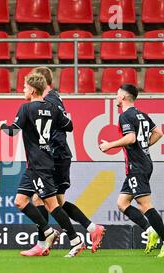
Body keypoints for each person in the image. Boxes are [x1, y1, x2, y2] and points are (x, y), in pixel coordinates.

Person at [0, 73, 85, 258]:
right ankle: (48, 231)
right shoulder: (53, 108)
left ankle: (75, 240)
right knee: (20, 201)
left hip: (40, 165)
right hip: (40, 162)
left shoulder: (26, 108)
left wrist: (2, 126)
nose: (22, 90)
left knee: (51, 204)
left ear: (32, 89)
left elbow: (13, 131)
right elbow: (69, 126)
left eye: (24, 87)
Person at [30, 67, 106, 253]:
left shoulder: (48, 101)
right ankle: (92, 228)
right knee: (58, 202)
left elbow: (59, 128)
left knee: (39, 199)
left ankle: (43, 244)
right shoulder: (54, 97)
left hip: (56, 156)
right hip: (60, 154)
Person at [99, 84, 164, 258]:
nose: (116, 97)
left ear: (124, 97)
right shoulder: (141, 114)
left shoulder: (125, 116)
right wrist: (145, 145)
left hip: (137, 166)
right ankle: (151, 231)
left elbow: (131, 138)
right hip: (143, 162)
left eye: (118, 94)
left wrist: (109, 145)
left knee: (145, 205)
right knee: (122, 203)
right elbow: (158, 132)